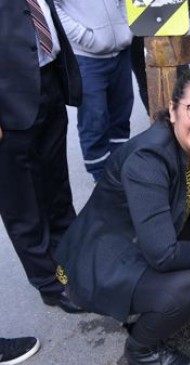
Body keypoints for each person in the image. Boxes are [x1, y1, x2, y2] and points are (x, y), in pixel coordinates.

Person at [54, 68, 190, 365]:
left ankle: (169, 304)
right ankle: (140, 351)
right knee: (188, 286)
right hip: (108, 258)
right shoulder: (148, 159)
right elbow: (162, 254)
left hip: (150, 236)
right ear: (173, 110)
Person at [0, 0, 85, 314]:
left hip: (47, 81)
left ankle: (73, 261)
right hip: (7, 100)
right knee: (22, 204)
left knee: (57, 187)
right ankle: (50, 284)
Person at [54, 0, 134, 181]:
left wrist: (127, 28)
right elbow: (54, 8)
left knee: (121, 116)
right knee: (94, 120)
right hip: (87, 58)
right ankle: (101, 176)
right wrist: (84, 36)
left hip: (121, 50)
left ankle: (121, 168)